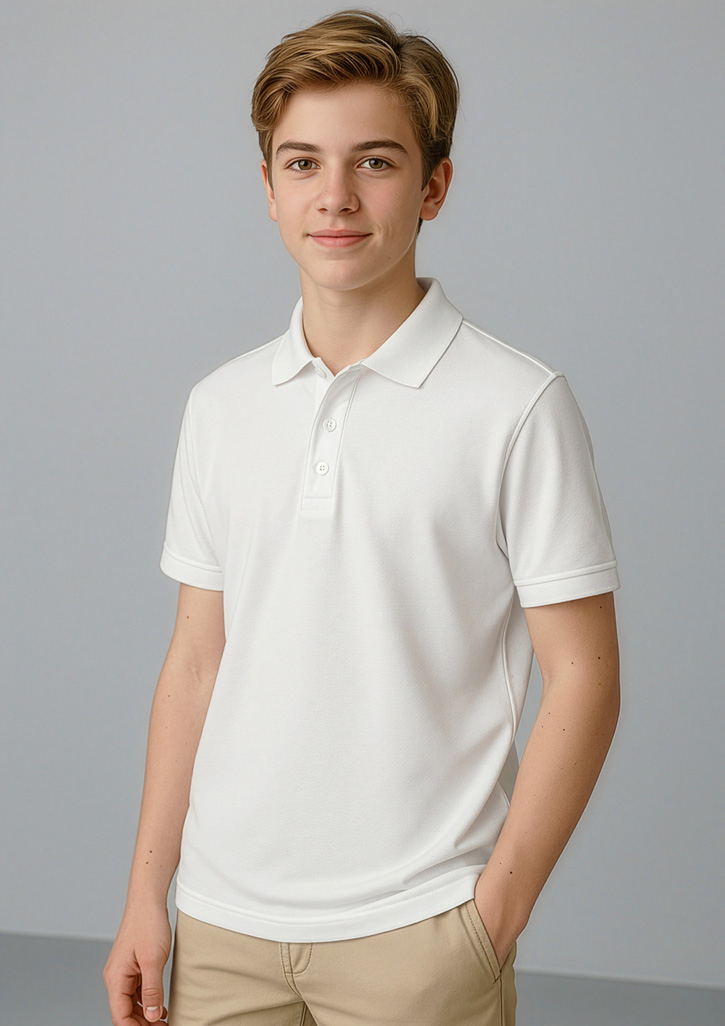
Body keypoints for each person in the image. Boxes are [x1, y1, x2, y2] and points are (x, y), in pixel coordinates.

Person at [103, 8, 621, 1025]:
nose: (334, 196)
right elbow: (196, 662)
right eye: (302, 163)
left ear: (434, 185)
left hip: (421, 929)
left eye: (375, 162)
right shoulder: (220, 406)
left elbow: (585, 676)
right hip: (219, 927)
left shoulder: (515, 405)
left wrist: (493, 916)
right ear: (267, 187)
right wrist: (144, 899)